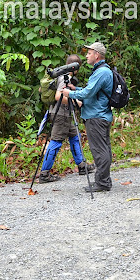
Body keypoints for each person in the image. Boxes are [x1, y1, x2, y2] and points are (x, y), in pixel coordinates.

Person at [62, 42, 113, 193]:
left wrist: (70, 94)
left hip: (96, 116)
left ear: (97, 55)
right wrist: (75, 88)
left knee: (100, 150)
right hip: (99, 114)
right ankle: (104, 180)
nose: (86, 56)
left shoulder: (101, 72)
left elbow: (88, 94)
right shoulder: (100, 71)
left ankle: (102, 182)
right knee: (103, 148)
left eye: (89, 53)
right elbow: (92, 91)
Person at [39, 54, 95, 183]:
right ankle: (44, 174)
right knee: (56, 141)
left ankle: (82, 166)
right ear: (75, 68)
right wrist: (76, 102)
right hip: (60, 114)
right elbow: (59, 96)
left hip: (65, 114)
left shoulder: (62, 76)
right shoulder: (64, 78)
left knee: (75, 137)